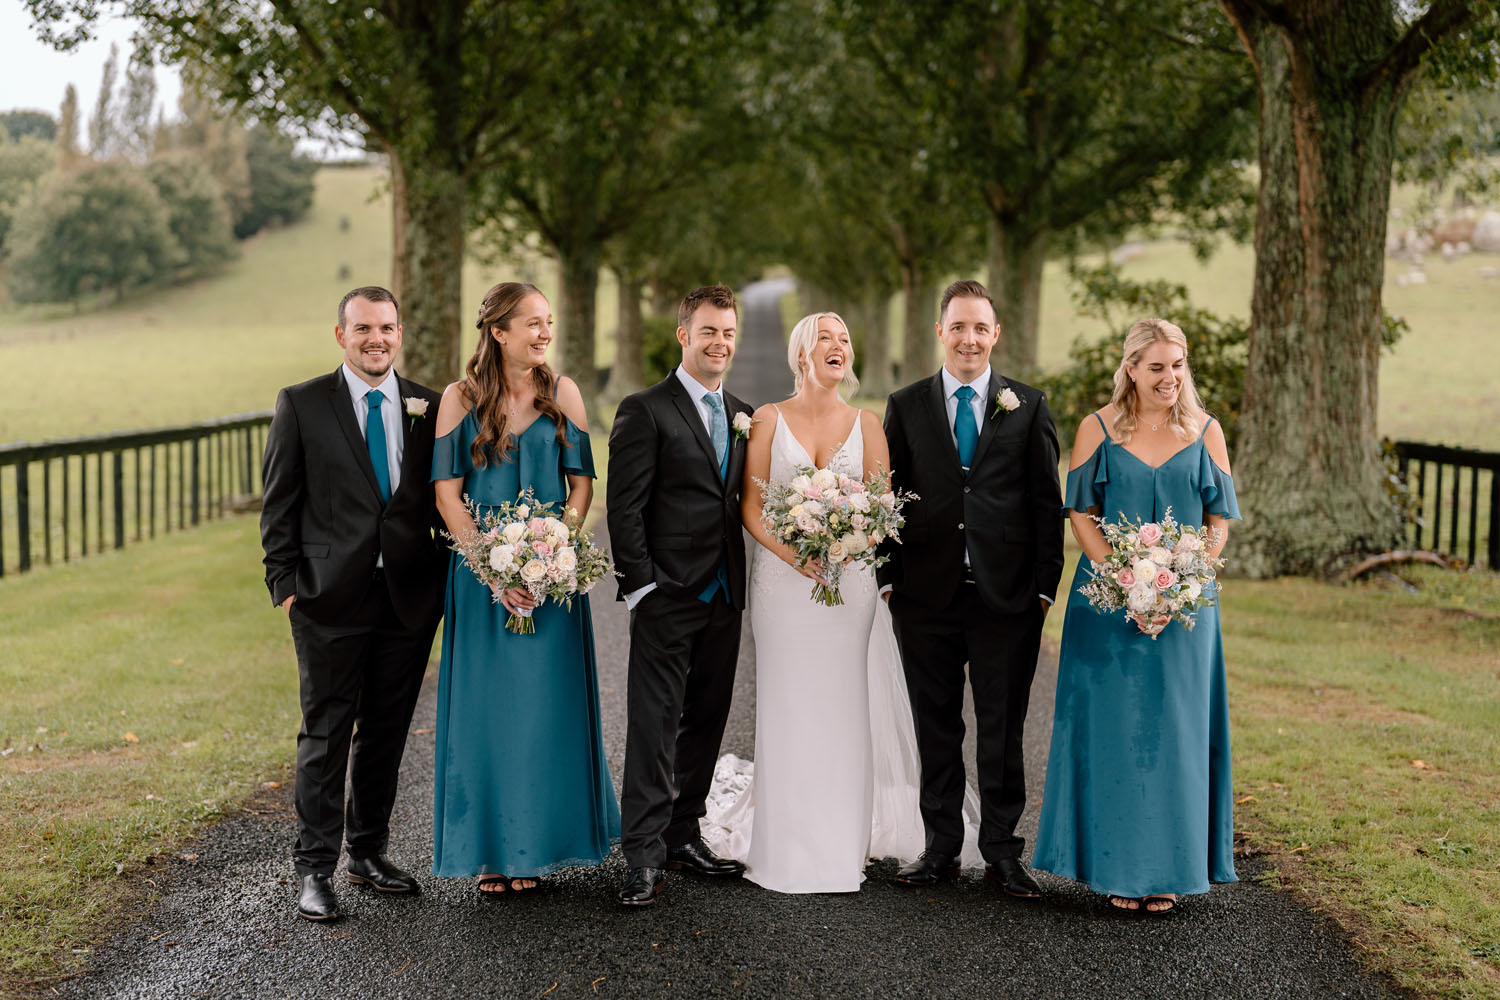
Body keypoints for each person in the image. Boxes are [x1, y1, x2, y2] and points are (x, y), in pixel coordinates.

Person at [700, 311, 983, 893]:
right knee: (788, 703)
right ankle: (784, 842)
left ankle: (839, 842)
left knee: (842, 705)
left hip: (849, 587)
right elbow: (751, 508)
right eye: (825, 338)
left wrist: (850, 542)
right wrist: (797, 555)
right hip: (783, 586)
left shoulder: (868, 423)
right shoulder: (767, 421)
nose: (838, 347)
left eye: (845, 340)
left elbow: (882, 509)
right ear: (802, 352)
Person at [1032, 317, 1239, 915]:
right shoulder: (1096, 428)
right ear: (1131, 370)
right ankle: (1116, 868)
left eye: (1177, 366)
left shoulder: (1207, 431)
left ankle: (1170, 868)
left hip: (1184, 611)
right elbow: (1082, 515)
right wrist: (1127, 586)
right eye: (1156, 367)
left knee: (1176, 732)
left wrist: (1178, 587)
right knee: (1114, 729)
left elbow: (1217, 523)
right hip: (1107, 608)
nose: (1170, 377)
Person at [260, 286, 447, 922]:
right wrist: (285, 586)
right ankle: (315, 869)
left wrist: (445, 574)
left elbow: (442, 499)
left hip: (406, 600)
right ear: (340, 335)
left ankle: (368, 853)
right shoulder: (303, 403)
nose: (377, 338)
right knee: (326, 732)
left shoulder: (430, 405)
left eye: (387, 327)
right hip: (326, 599)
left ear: (400, 333)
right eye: (363, 327)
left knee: (387, 733)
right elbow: (279, 503)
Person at [429, 282, 619, 894]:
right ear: (498, 332)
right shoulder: (458, 400)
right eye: (532, 323)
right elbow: (447, 495)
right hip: (481, 585)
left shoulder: (563, 393)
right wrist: (493, 569)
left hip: (552, 584)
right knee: (488, 713)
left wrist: (551, 553)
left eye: (549, 323)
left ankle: (535, 847)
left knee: (543, 711)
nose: (544, 334)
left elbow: (583, 486)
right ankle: (490, 851)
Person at [878, 279, 1065, 899]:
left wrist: (1043, 590)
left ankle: (1004, 852)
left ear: (996, 334)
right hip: (924, 596)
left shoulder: (1029, 405)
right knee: (936, 726)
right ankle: (940, 848)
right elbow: (888, 497)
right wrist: (886, 578)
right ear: (940, 331)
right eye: (958, 326)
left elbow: (1046, 503)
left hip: (1006, 599)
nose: (969, 338)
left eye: (980, 327)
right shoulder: (906, 405)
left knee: (1001, 727)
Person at [608, 284, 756, 907]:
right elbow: (625, 506)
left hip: (725, 592)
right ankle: (641, 852)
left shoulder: (747, 412)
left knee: (707, 716)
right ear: (683, 336)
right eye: (708, 332)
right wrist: (643, 586)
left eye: (727, 333)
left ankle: (682, 831)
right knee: (655, 721)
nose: (719, 343)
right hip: (666, 593)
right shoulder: (645, 410)